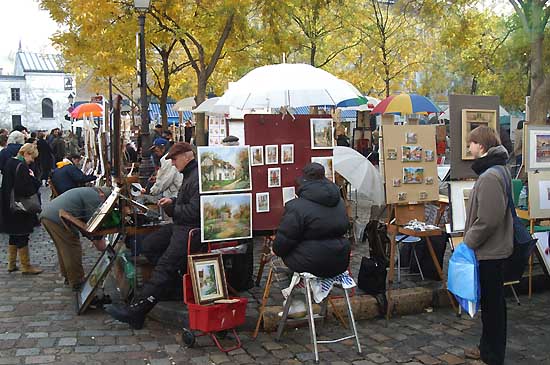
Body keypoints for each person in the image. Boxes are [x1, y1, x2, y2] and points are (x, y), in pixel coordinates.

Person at [105, 142, 199, 329]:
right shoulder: (189, 174)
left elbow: (195, 211)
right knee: (148, 244)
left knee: (165, 265)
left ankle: (137, 311)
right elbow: (187, 203)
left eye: (174, 158)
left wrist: (173, 206)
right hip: (181, 225)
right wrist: (173, 201)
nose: (172, 163)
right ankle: (170, 287)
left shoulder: (196, 177)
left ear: (187, 157)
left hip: (190, 230)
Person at [463, 126, 512, 365]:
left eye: (470, 143)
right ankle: (487, 349)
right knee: (492, 304)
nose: (468, 148)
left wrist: (469, 242)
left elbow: (489, 219)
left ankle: (492, 354)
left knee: (493, 306)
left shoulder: (491, 176)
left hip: (491, 252)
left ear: (480, 146)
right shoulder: (496, 171)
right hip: (493, 250)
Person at [273, 162, 351, 278]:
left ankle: (289, 289)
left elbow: (283, 243)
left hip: (312, 263)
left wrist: (276, 250)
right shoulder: (339, 202)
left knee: (280, 257)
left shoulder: (297, 206)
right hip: (340, 261)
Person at [40, 187, 110, 290]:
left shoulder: (88, 191)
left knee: (64, 248)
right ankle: (77, 281)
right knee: (72, 248)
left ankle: (68, 276)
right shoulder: (95, 197)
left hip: (49, 215)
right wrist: (97, 239)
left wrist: (92, 237)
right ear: (103, 195)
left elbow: (85, 223)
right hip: (56, 217)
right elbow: (93, 221)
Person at [1, 143, 43, 274]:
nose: (32, 161)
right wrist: (34, 180)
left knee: (13, 235)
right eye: (32, 158)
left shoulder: (9, 163)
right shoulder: (22, 166)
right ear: (26, 154)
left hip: (8, 205)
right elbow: (25, 189)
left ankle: (11, 264)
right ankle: (26, 266)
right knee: (22, 234)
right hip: (20, 207)